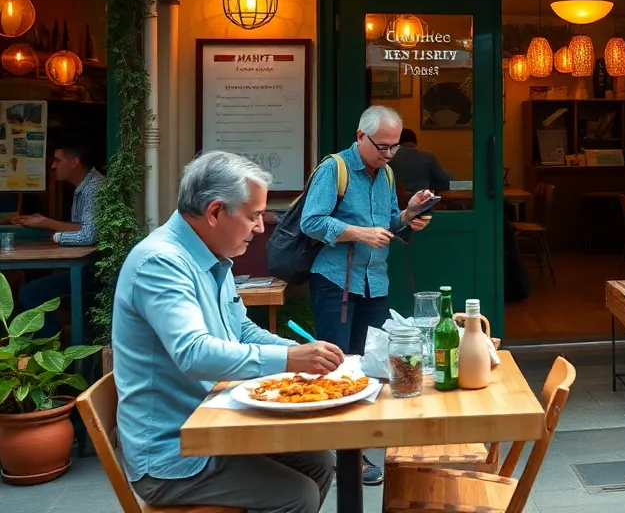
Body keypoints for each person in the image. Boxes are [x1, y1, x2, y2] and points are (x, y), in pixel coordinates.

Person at [112, 151, 343, 513]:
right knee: (297, 495)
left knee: (322, 460)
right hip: (173, 453)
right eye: (253, 216)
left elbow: (243, 331)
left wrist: (302, 357)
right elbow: (194, 353)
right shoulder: (161, 262)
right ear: (216, 211)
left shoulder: (209, 254)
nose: (260, 227)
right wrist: (288, 358)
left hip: (216, 422)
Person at [300, 105, 434, 485]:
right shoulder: (334, 169)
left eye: (394, 147)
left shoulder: (387, 173)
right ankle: (340, 456)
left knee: (369, 366)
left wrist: (409, 214)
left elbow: (389, 224)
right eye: (382, 146)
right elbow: (312, 222)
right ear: (361, 136)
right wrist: (360, 233)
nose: (389, 153)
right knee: (337, 365)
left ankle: (355, 450)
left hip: (375, 280)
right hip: (335, 283)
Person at [16, 144, 105, 338]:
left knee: (29, 293)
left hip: (96, 273)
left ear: (74, 162)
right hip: (87, 268)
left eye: (58, 161)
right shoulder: (83, 187)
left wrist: (53, 231)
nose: (53, 166)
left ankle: (53, 346)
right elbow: (83, 227)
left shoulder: (95, 188)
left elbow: (89, 234)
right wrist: (47, 223)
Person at [389, 128, 452, 198]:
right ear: (415, 142)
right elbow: (445, 182)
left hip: (396, 203)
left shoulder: (389, 158)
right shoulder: (428, 157)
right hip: (422, 203)